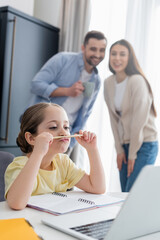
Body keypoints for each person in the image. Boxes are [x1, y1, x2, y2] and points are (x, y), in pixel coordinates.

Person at [5, 103, 106, 210]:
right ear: (31, 138)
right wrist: (38, 153)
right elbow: (16, 204)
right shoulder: (18, 166)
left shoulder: (63, 163)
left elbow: (98, 188)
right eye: (53, 127)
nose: (64, 132)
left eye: (66, 127)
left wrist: (92, 149)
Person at [29, 30, 107, 154]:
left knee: (59, 173)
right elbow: (36, 85)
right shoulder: (63, 59)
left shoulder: (96, 81)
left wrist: (72, 143)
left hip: (66, 137)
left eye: (102, 50)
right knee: (32, 171)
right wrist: (67, 91)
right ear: (83, 48)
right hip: (42, 131)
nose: (97, 54)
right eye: (93, 49)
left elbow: (85, 114)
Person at [104, 39, 158, 192]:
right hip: (126, 144)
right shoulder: (108, 83)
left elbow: (138, 123)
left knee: (132, 194)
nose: (117, 58)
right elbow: (113, 121)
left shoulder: (137, 81)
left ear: (130, 58)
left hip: (145, 144)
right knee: (124, 194)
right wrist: (119, 150)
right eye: (113, 54)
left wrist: (132, 154)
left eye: (122, 54)